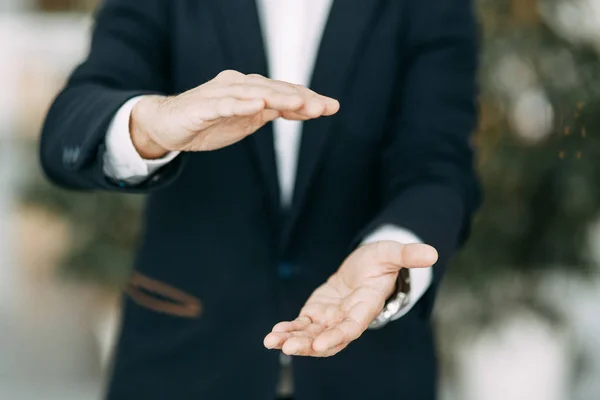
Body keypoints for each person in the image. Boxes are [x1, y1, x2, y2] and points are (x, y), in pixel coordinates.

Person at [40, 0, 481, 399]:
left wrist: (394, 253)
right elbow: (68, 129)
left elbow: (436, 161)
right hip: (182, 360)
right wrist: (152, 124)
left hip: (371, 366)